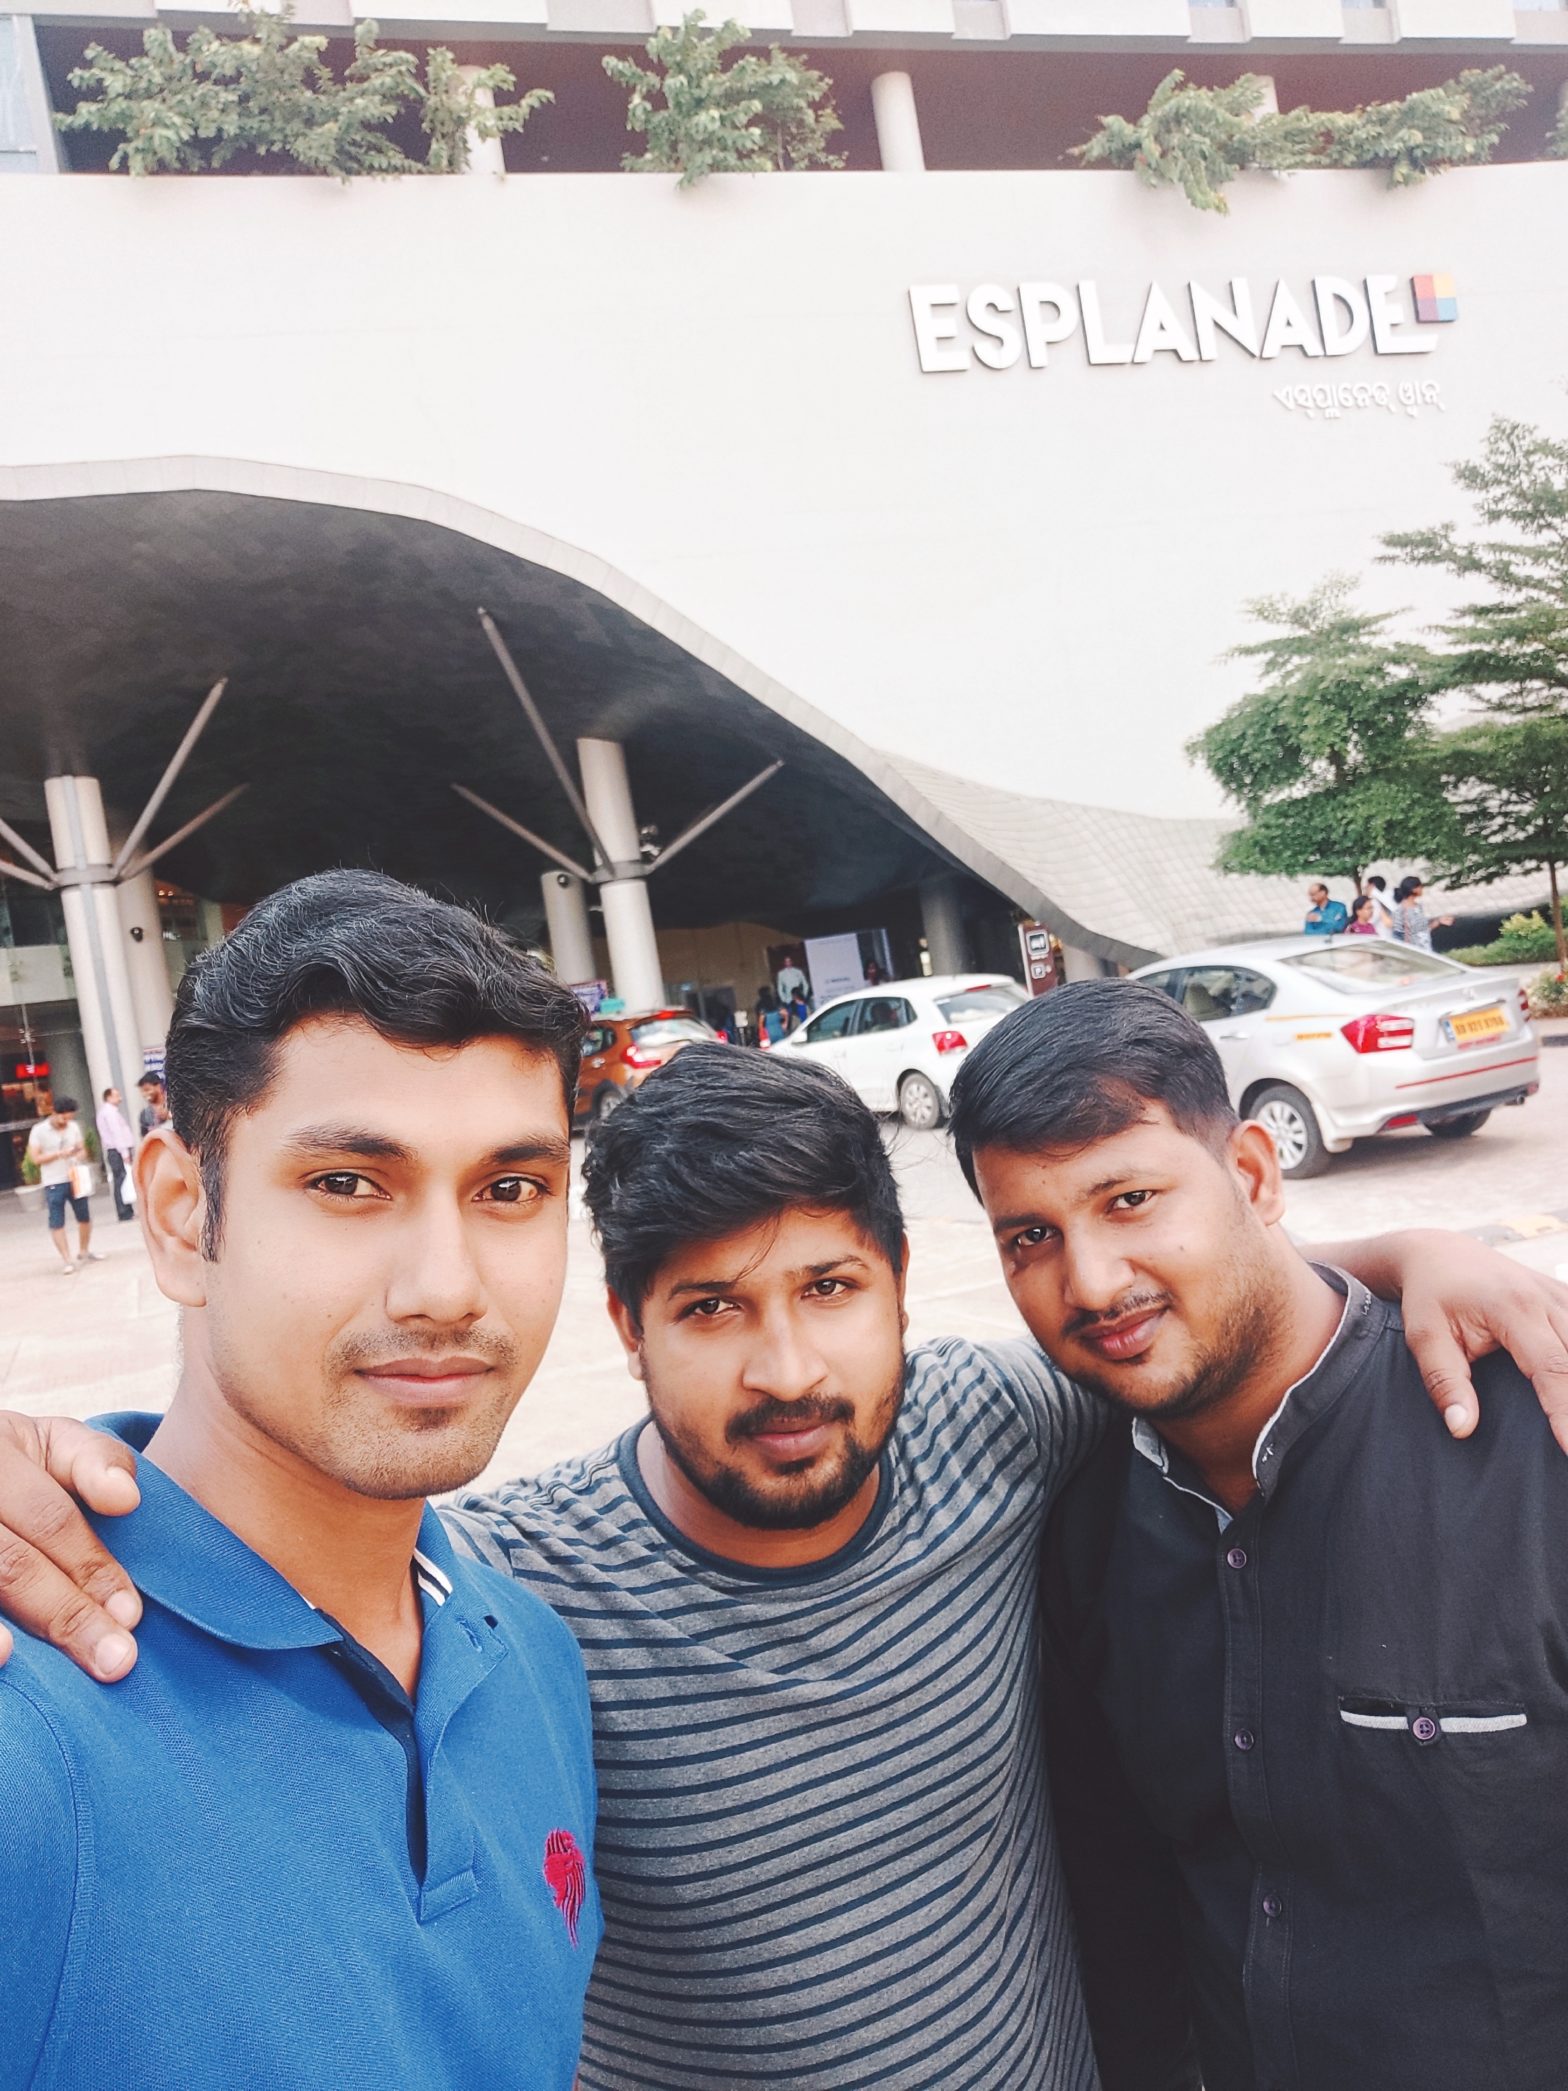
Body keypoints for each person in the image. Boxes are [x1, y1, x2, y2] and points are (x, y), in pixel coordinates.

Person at [1, 1051, 1567, 2087]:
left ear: (903, 1287)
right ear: (626, 1328)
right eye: (710, 1308)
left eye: (830, 1287)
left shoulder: (995, 1423)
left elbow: (1177, 1310)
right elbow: (260, 1523)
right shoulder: (513, 1589)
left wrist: (1421, 1256)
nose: (790, 1366)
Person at [0, 873, 600, 2090]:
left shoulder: (531, 1660)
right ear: (182, 1217)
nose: (446, 1288)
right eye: (346, 1184)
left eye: (509, 1190)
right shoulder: (32, 1736)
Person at [948, 981, 1568, 2091]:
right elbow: (1125, 1902)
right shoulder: (1081, 1517)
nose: (1090, 1282)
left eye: (1131, 1199)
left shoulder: (1532, 1440)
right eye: (1029, 1236)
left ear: (1251, 1172)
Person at [26, 1097, 100, 1273]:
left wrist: (79, 1154)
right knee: (57, 1220)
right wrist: (59, 1154)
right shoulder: (39, 1130)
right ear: (54, 1113)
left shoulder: (73, 1127)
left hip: (74, 1177)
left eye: (70, 1117)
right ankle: (67, 1259)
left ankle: (84, 1250)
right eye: (63, 1118)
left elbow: (82, 1149)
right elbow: (35, 1158)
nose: (66, 1121)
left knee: (84, 1216)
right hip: (54, 1180)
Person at [96, 1085, 137, 1221]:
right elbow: (116, 1133)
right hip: (117, 1150)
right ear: (109, 1097)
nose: (120, 1098)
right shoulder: (109, 1113)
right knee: (121, 1179)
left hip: (116, 1150)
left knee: (122, 1179)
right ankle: (124, 1211)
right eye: (116, 1095)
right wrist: (124, 1152)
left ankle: (127, 1209)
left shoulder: (108, 1112)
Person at [1391, 874, 1454, 952]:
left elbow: (1423, 929)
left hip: (1425, 948)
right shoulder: (1401, 911)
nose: (1422, 889)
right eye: (1420, 887)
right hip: (1413, 952)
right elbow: (1397, 935)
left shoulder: (1418, 907)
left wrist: (1439, 921)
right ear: (1414, 889)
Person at [137, 1071, 168, 1138]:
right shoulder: (145, 1114)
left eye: (147, 1090)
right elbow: (144, 1138)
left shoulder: (173, 1104)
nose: (144, 1094)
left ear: (158, 1087)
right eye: (142, 1092)